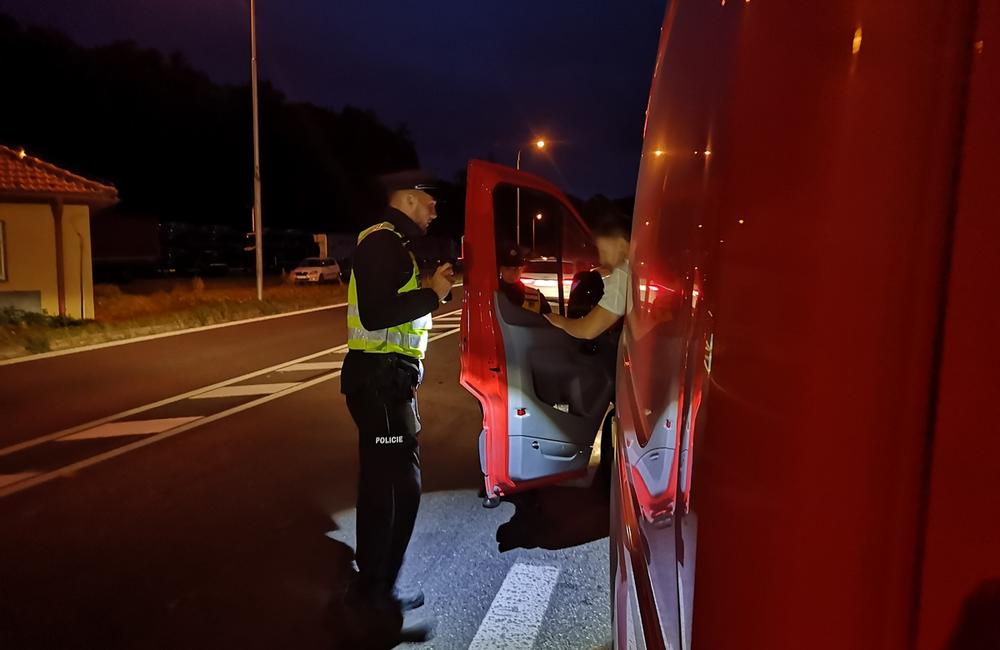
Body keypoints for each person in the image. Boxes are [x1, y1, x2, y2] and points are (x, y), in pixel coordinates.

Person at [340, 170, 454, 637]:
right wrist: (434, 294)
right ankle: (376, 598)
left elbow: (389, 308)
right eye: (430, 204)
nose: (434, 212)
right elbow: (376, 312)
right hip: (381, 382)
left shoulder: (389, 244)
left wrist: (429, 292)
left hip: (383, 381)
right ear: (409, 199)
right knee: (399, 490)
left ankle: (371, 588)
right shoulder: (383, 243)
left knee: (380, 487)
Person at [545, 213, 631, 338]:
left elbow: (587, 331)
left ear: (622, 245)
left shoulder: (622, 275)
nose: (601, 259)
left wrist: (558, 320)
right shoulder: (635, 269)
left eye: (604, 251)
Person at [497, 245, 552, 314]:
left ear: (523, 268)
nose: (513, 272)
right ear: (500, 269)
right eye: (508, 268)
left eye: (517, 268)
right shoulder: (493, 294)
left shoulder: (537, 298)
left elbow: (548, 321)